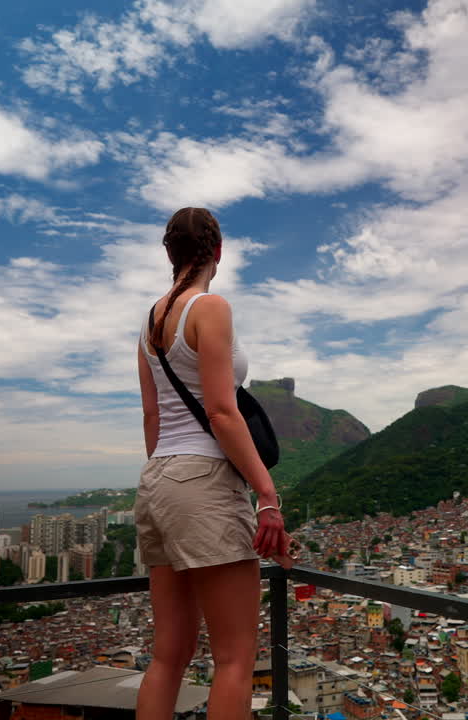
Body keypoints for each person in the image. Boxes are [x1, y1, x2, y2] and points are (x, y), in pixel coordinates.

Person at [134, 207, 290, 720]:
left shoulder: (150, 322)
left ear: (169, 252)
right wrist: (266, 495)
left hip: (158, 479)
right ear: (217, 253)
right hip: (202, 481)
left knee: (168, 655)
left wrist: (170, 480)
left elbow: (153, 417)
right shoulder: (210, 308)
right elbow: (223, 411)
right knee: (234, 659)